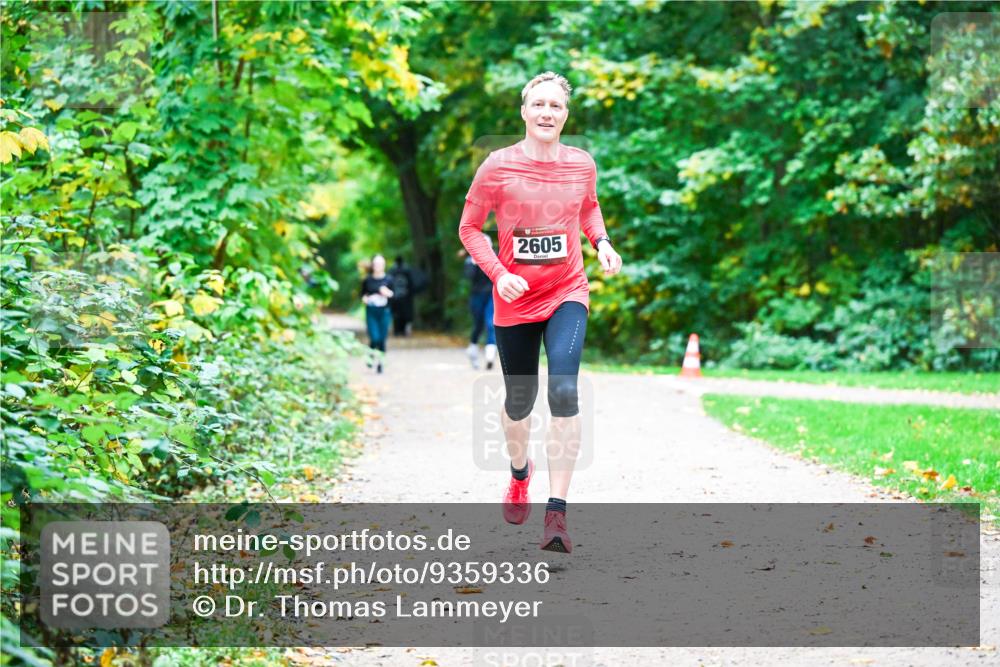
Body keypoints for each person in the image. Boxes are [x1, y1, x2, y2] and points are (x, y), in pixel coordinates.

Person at [457, 71, 623, 553]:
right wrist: (497, 272)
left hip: (567, 289)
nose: (548, 113)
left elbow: (589, 209)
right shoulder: (497, 166)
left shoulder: (581, 164)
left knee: (565, 390)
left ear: (565, 115)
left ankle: (557, 516)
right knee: (518, 404)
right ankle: (518, 473)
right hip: (514, 298)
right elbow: (470, 228)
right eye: (539, 105)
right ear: (524, 112)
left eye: (556, 106)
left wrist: (603, 243)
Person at [464, 233, 498, 370]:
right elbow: (468, 276)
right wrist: (474, 262)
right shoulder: (470, 261)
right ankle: (472, 349)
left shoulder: (496, 257)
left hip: (492, 295)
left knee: (491, 324)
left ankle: (490, 357)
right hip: (477, 296)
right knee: (478, 325)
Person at [360, 254, 394, 373]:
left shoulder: (389, 279)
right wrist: (365, 299)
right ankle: (371, 355)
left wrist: (388, 293)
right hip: (371, 311)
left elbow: (394, 296)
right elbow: (363, 294)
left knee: (382, 339)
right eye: (376, 264)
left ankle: (381, 363)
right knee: (374, 337)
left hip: (384, 311)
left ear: (384, 265)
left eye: (380, 264)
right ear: (373, 265)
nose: (378, 266)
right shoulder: (367, 280)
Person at [389, 256, 415, 337]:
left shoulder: (392, 271)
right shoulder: (407, 270)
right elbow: (411, 284)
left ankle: (397, 331)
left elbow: (389, 283)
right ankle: (403, 331)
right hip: (406, 297)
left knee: (396, 315)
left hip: (395, 297)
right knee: (405, 314)